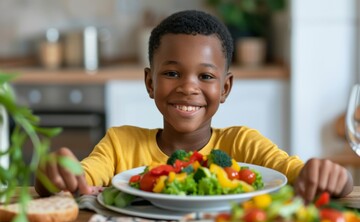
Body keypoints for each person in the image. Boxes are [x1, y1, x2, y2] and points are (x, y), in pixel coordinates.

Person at [35, 10, 353, 203]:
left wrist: (333, 176)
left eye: (205, 75)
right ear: (150, 83)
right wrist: (58, 174)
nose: (188, 87)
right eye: (172, 73)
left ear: (225, 88)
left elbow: (303, 175)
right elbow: (83, 177)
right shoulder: (120, 144)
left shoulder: (243, 143)